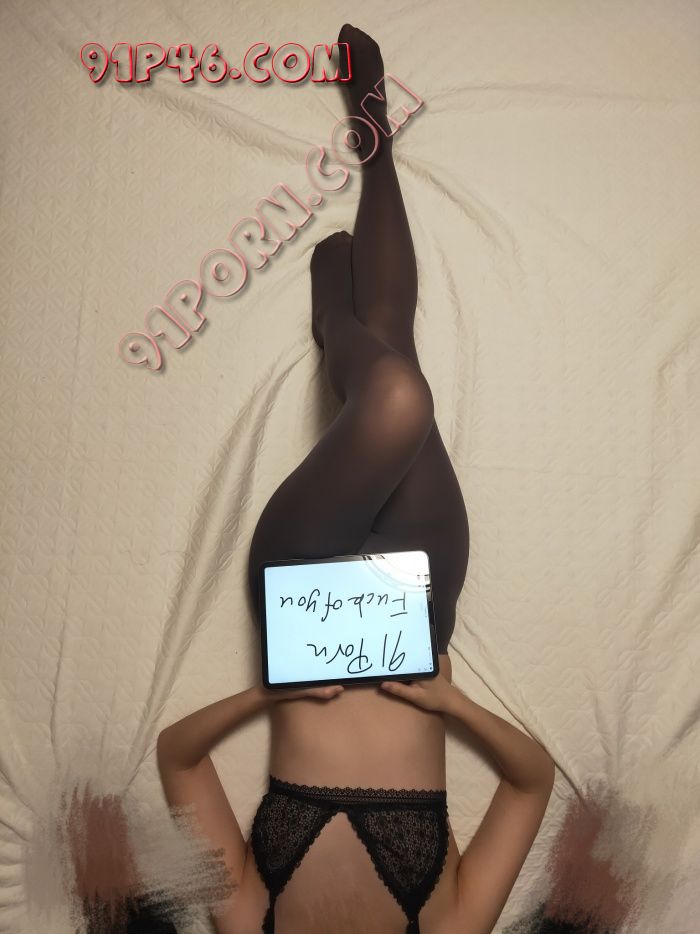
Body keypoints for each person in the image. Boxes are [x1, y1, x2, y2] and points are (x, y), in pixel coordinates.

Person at [157, 24, 555, 934]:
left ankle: (337, 322)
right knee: (397, 366)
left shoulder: (249, 924)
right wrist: (452, 705)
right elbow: (532, 782)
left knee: (395, 397)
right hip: (417, 611)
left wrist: (268, 696)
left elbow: (177, 758)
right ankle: (368, 159)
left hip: (300, 600)